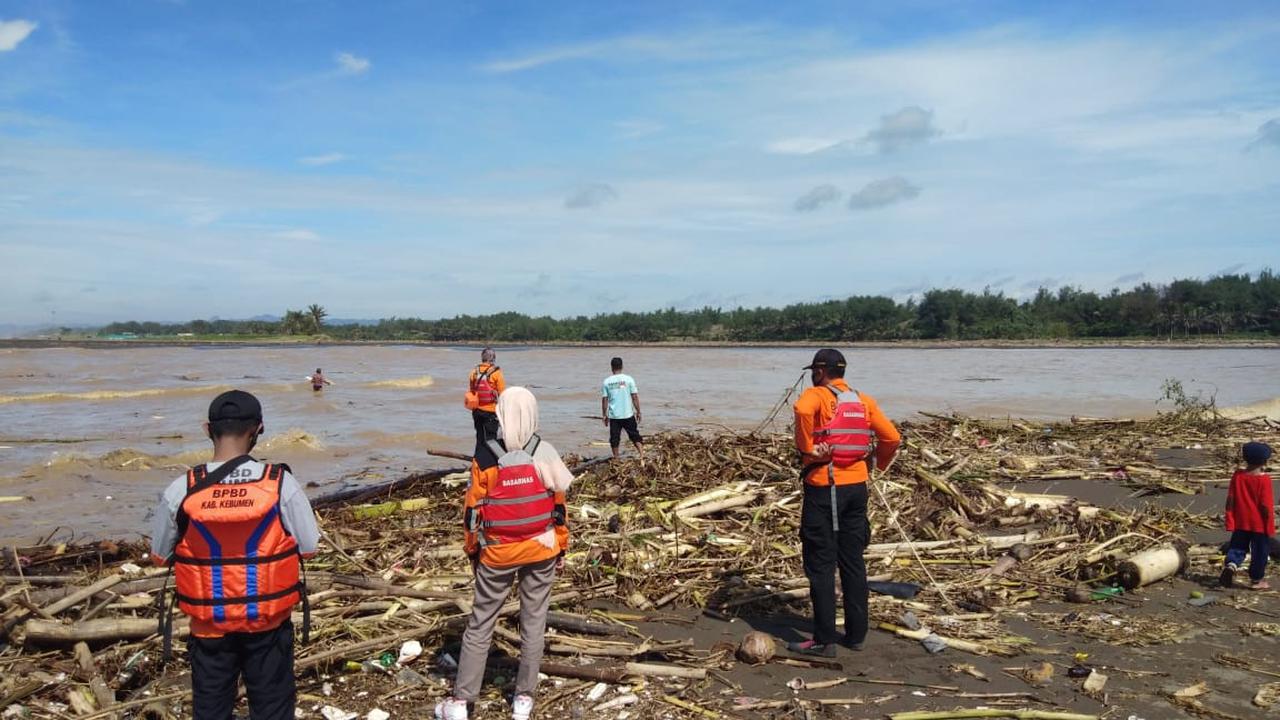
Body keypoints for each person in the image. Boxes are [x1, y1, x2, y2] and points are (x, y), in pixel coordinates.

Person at [149, 390, 319, 720]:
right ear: (258, 429)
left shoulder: (181, 488)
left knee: (210, 709)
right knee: (272, 709)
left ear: (206, 429)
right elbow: (309, 548)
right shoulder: (280, 484)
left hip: (209, 629)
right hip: (267, 626)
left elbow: (160, 555)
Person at [436, 387, 573, 720]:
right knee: (534, 621)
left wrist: (472, 551)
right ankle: (523, 698)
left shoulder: (485, 457)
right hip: (541, 549)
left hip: (497, 553)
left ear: (501, 415)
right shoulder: (547, 452)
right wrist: (561, 546)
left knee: (481, 623)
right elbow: (559, 509)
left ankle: (462, 701)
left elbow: (472, 514)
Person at [788, 349, 900, 657]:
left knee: (821, 564)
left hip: (826, 488)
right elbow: (892, 438)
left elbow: (800, 409)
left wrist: (807, 447)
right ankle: (856, 635)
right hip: (856, 488)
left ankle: (824, 640)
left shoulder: (817, 395)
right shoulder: (863, 400)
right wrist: (877, 464)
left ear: (821, 370)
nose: (813, 374)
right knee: (852, 561)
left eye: (815, 370)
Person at [1220, 441, 1274, 590]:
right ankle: (1256, 580)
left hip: (1241, 520)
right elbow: (1266, 506)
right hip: (1259, 524)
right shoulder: (1265, 480)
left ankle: (1231, 565)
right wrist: (1269, 526)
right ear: (1264, 461)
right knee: (1260, 552)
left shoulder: (1238, 476)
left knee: (1237, 546)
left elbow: (1231, 499)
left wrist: (1230, 519)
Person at [601, 357, 643, 460]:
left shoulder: (607, 382)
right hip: (628, 414)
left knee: (614, 438)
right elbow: (634, 397)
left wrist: (604, 415)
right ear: (622, 366)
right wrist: (638, 411)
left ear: (612, 367)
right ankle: (642, 455)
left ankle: (616, 458)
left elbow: (605, 400)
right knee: (634, 435)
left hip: (614, 416)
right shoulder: (629, 379)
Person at [465, 348, 506, 453]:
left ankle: (478, 462)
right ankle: (489, 464)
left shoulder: (474, 372)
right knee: (491, 440)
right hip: (491, 412)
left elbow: (472, 391)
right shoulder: (497, 373)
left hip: (477, 411)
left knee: (480, 437)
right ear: (494, 359)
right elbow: (503, 394)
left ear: (482, 358)